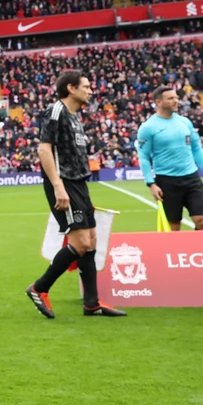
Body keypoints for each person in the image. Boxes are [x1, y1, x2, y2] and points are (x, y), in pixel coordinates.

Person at [26, 70, 125, 319]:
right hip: (64, 184)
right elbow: (44, 150)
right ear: (71, 88)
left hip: (79, 183)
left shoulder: (75, 117)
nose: (91, 91)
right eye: (86, 86)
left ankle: (91, 303)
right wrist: (58, 186)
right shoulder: (56, 111)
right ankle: (39, 288)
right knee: (80, 243)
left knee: (91, 240)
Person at [136, 86, 203, 231]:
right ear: (158, 102)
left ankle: (200, 246)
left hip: (191, 178)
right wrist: (151, 183)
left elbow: (196, 148)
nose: (176, 101)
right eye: (171, 98)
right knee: (173, 227)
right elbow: (143, 157)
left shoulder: (185, 122)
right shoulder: (148, 127)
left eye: (176, 98)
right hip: (167, 181)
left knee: (202, 221)